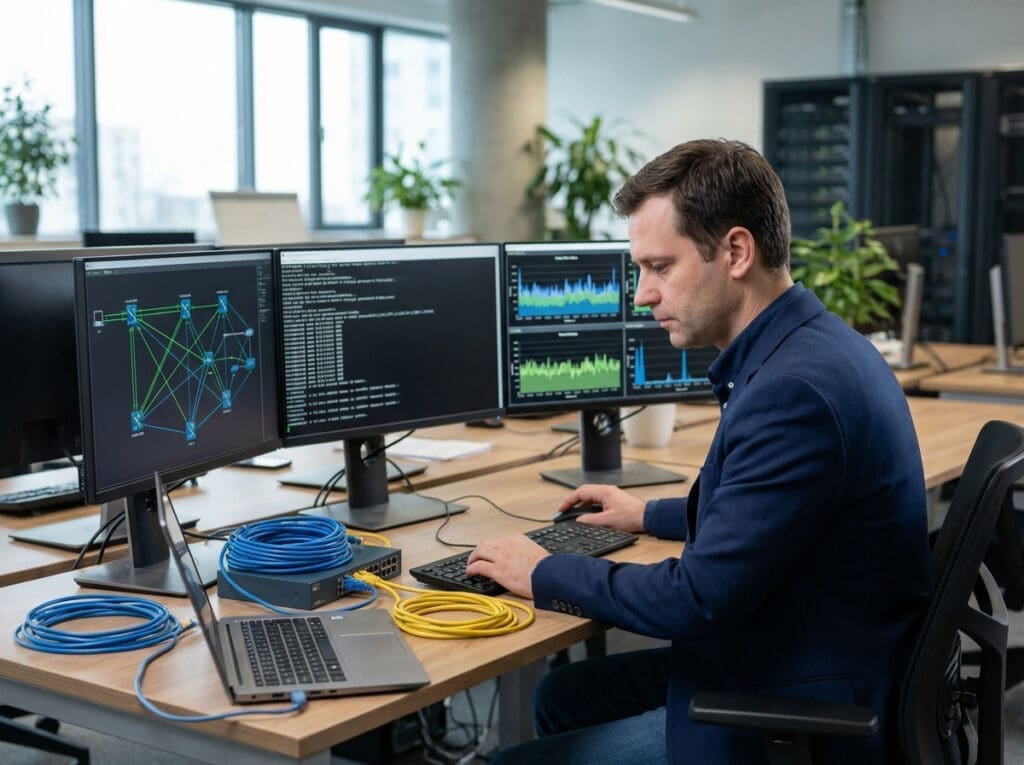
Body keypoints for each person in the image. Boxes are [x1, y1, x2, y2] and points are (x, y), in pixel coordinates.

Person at [465, 138, 931, 763]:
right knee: (563, 695)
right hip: (819, 644)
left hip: (808, 697)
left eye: (659, 267)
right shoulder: (809, 346)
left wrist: (541, 570)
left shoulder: (791, 392)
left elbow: (696, 599)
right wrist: (649, 514)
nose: (641, 295)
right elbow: (774, 515)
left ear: (736, 251)